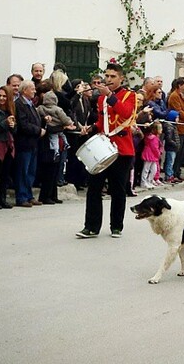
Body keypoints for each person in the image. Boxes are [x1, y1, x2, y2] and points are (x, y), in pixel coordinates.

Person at [76, 63, 136, 239]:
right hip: (103, 148)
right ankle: (91, 227)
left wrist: (109, 95)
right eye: (107, 76)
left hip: (122, 149)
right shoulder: (101, 99)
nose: (108, 79)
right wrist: (92, 127)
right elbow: (103, 123)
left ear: (121, 78)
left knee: (118, 189)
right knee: (94, 187)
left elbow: (126, 114)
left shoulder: (129, 95)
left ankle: (116, 226)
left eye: (112, 77)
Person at [14, 80, 46, 207]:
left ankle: (29, 195)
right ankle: (21, 196)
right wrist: (38, 130)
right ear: (24, 90)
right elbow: (23, 124)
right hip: (24, 143)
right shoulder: (19, 104)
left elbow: (34, 119)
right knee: (23, 170)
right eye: (32, 89)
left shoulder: (30, 104)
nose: (34, 91)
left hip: (33, 143)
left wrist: (42, 121)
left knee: (31, 171)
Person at [167, 77, 184, 180]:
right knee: (177, 152)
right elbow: (178, 111)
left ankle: (177, 172)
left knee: (181, 153)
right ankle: (173, 173)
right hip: (179, 127)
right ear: (180, 85)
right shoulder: (174, 96)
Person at [140, 120, 163, 189]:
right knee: (146, 169)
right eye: (160, 128)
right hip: (150, 155)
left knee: (154, 169)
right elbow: (154, 148)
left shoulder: (155, 137)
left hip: (153, 156)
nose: (161, 130)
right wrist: (158, 154)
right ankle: (143, 182)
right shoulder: (153, 138)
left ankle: (149, 180)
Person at [162, 110, 181, 183]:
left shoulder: (173, 126)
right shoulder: (169, 127)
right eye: (177, 117)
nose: (178, 119)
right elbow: (169, 139)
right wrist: (175, 144)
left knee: (171, 162)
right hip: (171, 148)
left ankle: (171, 174)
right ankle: (168, 176)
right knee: (170, 162)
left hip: (174, 148)